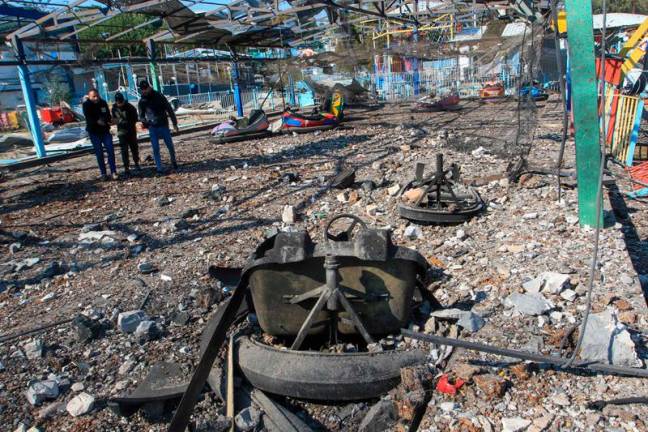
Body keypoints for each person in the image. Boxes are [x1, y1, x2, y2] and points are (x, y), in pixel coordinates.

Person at [137, 80, 179, 173]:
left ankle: (173, 161)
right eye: (143, 89)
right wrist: (145, 123)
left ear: (149, 87)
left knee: (170, 146)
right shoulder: (142, 101)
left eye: (146, 89)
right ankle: (159, 168)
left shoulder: (159, 96)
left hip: (163, 124)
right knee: (155, 148)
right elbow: (141, 116)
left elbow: (169, 109)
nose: (145, 91)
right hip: (152, 127)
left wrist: (174, 123)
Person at [82, 88, 117, 180]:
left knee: (110, 151)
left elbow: (107, 115)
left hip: (105, 131)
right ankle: (103, 173)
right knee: (99, 153)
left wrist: (110, 120)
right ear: (89, 97)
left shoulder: (103, 103)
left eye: (97, 96)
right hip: (94, 132)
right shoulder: (86, 105)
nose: (96, 98)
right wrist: (97, 121)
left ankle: (113, 171)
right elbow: (89, 117)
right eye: (93, 97)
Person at [111, 92, 140, 175]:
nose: (119, 104)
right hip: (121, 132)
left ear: (123, 100)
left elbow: (135, 119)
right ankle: (126, 167)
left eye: (120, 102)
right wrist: (116, 122)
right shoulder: (114, 109)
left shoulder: (130, 107)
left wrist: (122, 121)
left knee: (134, 148)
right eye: (118, 102)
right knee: (124, 150)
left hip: (131, 131)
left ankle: (136, 163)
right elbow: (114, 119)